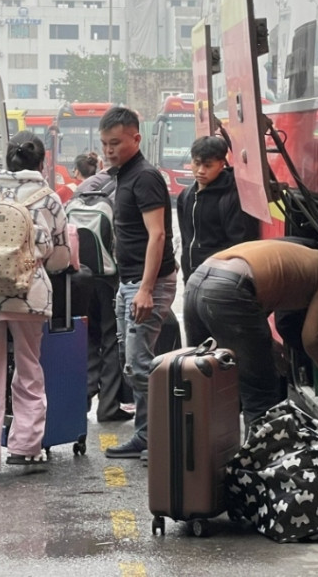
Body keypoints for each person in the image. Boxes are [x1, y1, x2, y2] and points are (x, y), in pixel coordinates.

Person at [0, 131, 71, 481]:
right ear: (42, 162)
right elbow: (60, 257)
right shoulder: (49, 199)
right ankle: (24, 447)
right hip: (28, 297)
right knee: (28, 369)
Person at [99, 107, 177, 460]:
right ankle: (146, 436)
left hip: (149, 284)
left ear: (136, 138)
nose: (109, 150)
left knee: (139, 366)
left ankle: (169, 433)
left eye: (116, 142)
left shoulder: (145, 177)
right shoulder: (123, 175)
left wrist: (145, 288)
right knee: (134, 363)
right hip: (127, 281)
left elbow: (157, 235)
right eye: (104, 143)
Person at [184, 239, 318, 427]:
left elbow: (256, 309)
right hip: (229, 289)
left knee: (205, 383)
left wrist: (267, 347)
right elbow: (314, 338)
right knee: (261, 395)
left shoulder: (293, 257)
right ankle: (262, 453)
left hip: (196, 281)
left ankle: (202, 451)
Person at [68, 162, 135, 423]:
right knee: (111, 339)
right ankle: (108, 407)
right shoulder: (126, 188)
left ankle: (80, 404)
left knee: (87, 338)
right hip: (109, 278)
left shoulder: (84, 188)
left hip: (80, 276)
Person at [176, 136, 259, 337]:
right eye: (196, 163)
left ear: (222, 164)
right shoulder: (186, 196)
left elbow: (239, 244)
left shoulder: (231, 197)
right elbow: (187, 239)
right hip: (192, 282)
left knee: (223, 345)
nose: (201, 171)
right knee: (197, 344)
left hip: (220, 286)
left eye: (208, 165)